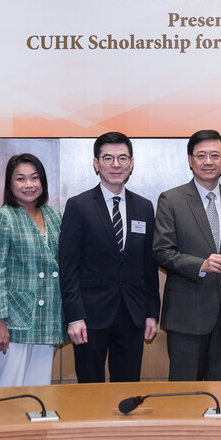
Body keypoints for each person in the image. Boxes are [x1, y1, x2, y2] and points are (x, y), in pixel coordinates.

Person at [58, 132, 160, 383]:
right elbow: (68, 267)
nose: (116, 165)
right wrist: (74, 316)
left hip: (132, 314)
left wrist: (151, 313)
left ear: (132, 163)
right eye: (108, 158)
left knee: (126, 388)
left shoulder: (144, 206)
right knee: (89, 390)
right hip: (90, 316)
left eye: (122, 158)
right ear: (96, 163)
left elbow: (148, 265)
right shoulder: (78, 206)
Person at [154, 129, 221, 381]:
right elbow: (162, 252)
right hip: (186, 316)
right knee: (184, 396)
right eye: (201, 155)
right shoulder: (170, 200)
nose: (208, 161)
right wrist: (201, 265)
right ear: (190, 160)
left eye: (215, 155)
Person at [0, 153, 65, 387]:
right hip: (14, 321)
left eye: (34, 178)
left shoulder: (54, 215)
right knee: (6, 390)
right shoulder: (2, 217)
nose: (28, 185)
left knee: (39, 391)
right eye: (20, 179)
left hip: (47, 317)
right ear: (10, 184)